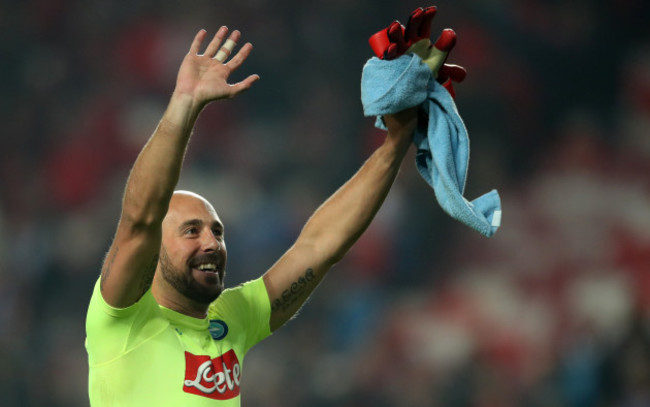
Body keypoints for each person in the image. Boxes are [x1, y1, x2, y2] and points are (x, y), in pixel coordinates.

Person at [85, 25, 423, 406]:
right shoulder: (125, 320)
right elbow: (140, 219)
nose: (212, 242)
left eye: (217, 231)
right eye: (191, 231)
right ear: (153, 250)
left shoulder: (232, 318)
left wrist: (396, 143)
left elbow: (318, 247)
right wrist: (184, 103)